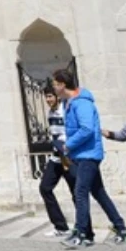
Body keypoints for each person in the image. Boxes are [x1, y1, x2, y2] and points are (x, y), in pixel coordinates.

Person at [50, 70, 126, 249]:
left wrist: (68, 145)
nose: (53, 88)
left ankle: (80, 232)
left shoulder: (82, 104)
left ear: (63, 84)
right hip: (81, 155)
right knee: (99, 192)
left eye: (55, 84)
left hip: (88, 155)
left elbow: (86, 129)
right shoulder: (69, 102)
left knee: (80, 192)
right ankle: (121, 229)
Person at [39, 86, 76, 237]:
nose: (48, 100)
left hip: (68, 157)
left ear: (57, 97)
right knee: (45, 188)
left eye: (50, 96)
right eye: (46, 97)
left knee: (76, 192)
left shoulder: (65, 111)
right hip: (56, 157)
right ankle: (60, 226)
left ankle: (83, 227)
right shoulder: (50, 113)